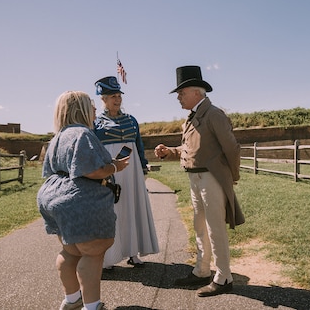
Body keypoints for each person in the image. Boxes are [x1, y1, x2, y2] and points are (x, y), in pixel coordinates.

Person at [154, 65, 244, 297]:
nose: (178, 97)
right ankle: (202, 271)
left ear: (196, 92)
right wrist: (169, 152)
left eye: (181, 93)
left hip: (211, 178)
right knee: (200, 228)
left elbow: (232, 148)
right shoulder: (193, 117)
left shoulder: (213, 114)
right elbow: (190, 148)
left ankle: (224, 277)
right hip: (196, 179)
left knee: (215, 230)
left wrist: (230, 177)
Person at [37, 91, 129, 310]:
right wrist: (115, 166)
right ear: (81, 109)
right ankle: (92, 306)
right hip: (81, 201)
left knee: (70, 252)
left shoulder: (58, 137)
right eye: (91, 106)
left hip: (54, 198)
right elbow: (93, 170)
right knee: (92, 253)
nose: (96, 110)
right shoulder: (82, 134)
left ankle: (72, 300)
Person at [93, 76, 159, 269]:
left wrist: (143, 166)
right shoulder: (96, 124)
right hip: (109, 171)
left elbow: (138, 145)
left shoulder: (131, 121)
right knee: (112, 211)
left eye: (119, 95)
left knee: (132, 208)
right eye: (113, 96)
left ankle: (133, 252)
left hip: (132, 173)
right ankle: (109, 258)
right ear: (103, 98)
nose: (118, 99)